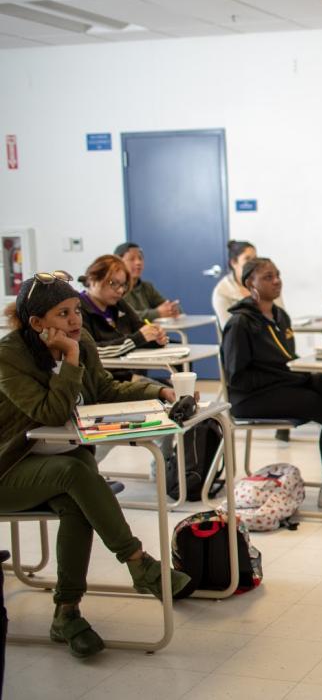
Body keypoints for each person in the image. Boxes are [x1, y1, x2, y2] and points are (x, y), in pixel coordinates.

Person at [0, 272, 191, 659]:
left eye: (75, 311)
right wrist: (70, 359)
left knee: (78, 498)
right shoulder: (8, 356)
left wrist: (159, 390)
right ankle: (139, 563)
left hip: (58, 467)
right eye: (63, 313)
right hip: (9, 470)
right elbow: (51, 413)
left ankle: (66, 613)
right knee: (76, 474)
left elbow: (104, 389)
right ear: (36, 323)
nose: (75, 321)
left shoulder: (80, 340)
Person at [220, 257, 322, 509]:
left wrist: (303, 370)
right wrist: (288, 375)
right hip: (251, 399)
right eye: (268, 277)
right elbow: (238, 378)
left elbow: (285, 359)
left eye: (278, 274)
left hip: (282, 384)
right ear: (250, 283)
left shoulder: (281, 317)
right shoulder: (240, 323)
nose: (277, 280)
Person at [78, 254, 167, 368]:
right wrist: (139, 338)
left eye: (123, 285)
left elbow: (139, 330)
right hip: (102, 381)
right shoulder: (78, 309)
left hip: (127, 375)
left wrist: (156, 338)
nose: (120, 290)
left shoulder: (119, 304)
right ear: (93, 280)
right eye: (113, 283)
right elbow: (91, 351)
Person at [212, 240, 286, 329]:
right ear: (234, 263)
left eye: (255, 258)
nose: (252, 263)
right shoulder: (222, 292)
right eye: (247, 259)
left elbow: (281, 318)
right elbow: (230, 328)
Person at [115, 242, 180, 321]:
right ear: (118, 263)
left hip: (152, 331)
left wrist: (172, 309)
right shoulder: (115, 288)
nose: (138, 262)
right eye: (132, 259)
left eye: (140, 258)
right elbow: (125, 316)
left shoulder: (147, 287)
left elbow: (166, 305)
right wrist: (157, 313)